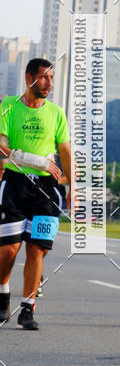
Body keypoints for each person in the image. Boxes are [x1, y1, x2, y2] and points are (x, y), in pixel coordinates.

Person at [0, 59, 71, 330]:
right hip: (15, 184)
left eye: (52, 78)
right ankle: (2, 290)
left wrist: (73, 187)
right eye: (44, 77)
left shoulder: (56, 113)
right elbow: (2, 146)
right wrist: (37, 161)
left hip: (47, 189)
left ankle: (27, 309)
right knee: (8, 250)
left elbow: (65, 151)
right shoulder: (9, 105)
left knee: (37, 249)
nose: (49, 83)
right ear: (29, 78)